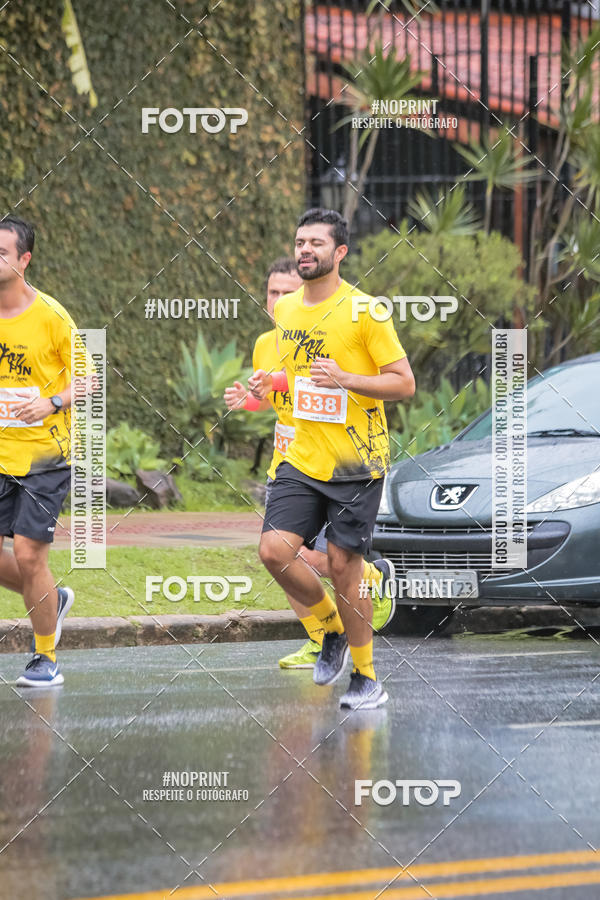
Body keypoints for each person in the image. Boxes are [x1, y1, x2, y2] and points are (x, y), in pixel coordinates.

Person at [251, 208, 415, 709]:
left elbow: (403, 383)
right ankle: (331, 629)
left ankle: (366, 677)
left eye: (317, 243)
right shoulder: (287, 311)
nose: (305, 250)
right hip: (301, 456)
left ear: (339, 252)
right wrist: (268, 385)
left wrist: (349, 378)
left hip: (355, 462)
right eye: (300, 242)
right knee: (274, 552)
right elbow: (295, 376)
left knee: (346, 566)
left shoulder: (367, 312)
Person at [224, 257, 395, 669]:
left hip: (338, 463)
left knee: (330, 562)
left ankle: (368, 583)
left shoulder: (327, 328)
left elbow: (311, 386)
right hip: (289, 464)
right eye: (273, 292)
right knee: (282, 560)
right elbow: (281, 401)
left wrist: (286, 382)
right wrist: (246, 400)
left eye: (286, 291)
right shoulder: (267, 342)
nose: (279, 299)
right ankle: (321, 638)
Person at [0, 216, 76, 687]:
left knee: (29, 556)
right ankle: (53, 598)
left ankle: (46, 657)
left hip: (44, 457)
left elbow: (91, 378)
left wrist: (50, 401)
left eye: (2, 253)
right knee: (27, 570)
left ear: (24, 261)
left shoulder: (52, 317)